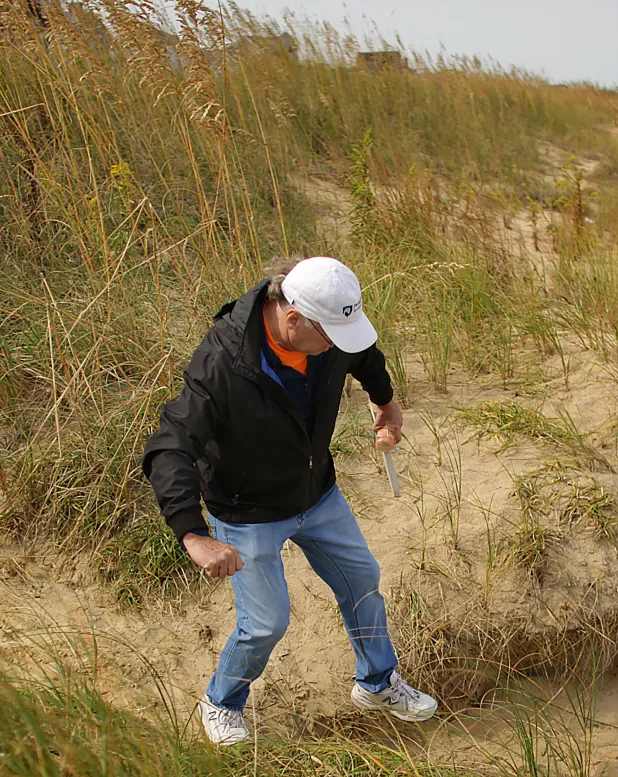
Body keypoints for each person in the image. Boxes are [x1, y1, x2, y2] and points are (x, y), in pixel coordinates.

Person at [142, 256, 440, 745]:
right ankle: (221, 703)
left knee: (362, 581)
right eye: (331, 336)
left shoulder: (328, 335)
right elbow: (170, 445)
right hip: (247, 510)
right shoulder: (223, 362)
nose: (336, 346)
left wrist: (386, 402)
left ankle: (377, 683)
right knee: (265, 624)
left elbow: (362, 353)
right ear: (294, 318)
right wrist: (192, 533)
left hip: (316, 493)